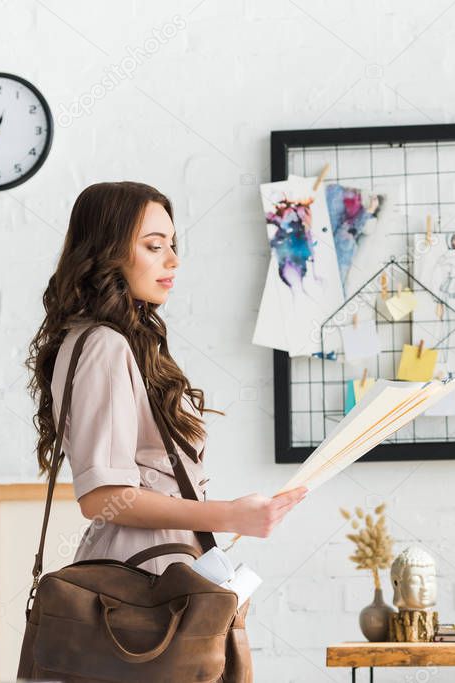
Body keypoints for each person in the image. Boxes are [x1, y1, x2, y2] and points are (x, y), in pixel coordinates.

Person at [26, 181, 308, 579]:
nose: (173, 260)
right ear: (108, 253)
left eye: (173, 245)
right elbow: (102, 497)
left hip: (157, 572)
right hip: (140, 583)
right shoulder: (104, 346)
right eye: (154, 246)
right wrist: (228, 515)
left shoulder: (122, 342)